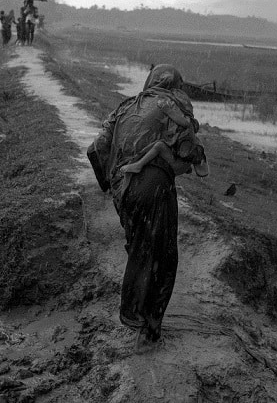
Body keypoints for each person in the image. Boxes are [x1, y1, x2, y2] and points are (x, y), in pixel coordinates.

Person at [87, 64, 209, 348]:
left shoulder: (127, 106)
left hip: (123, 190)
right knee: (162, 255)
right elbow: (188, 151)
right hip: (153, 187)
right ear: (175, 85)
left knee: (140, 249)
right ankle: (149, 330)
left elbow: (96, 148)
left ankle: (133, 314)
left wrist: (111, 187)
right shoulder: (174, 105)